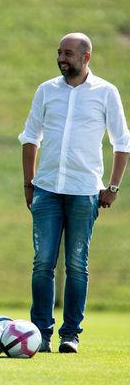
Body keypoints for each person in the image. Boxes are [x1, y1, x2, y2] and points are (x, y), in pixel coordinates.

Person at [19, 32, 130, 354]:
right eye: (59, 52)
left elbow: (122, 142)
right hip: (47, 189)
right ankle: (40, 333)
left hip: (84, 192)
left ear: (86, 57)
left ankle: (71, 335)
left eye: (67, 53)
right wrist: (29, 184)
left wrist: (113, 187)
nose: (61, 58)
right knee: (43, 263)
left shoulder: (106, 92)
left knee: (77, 265)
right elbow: (30, 138)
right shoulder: (46, 91)